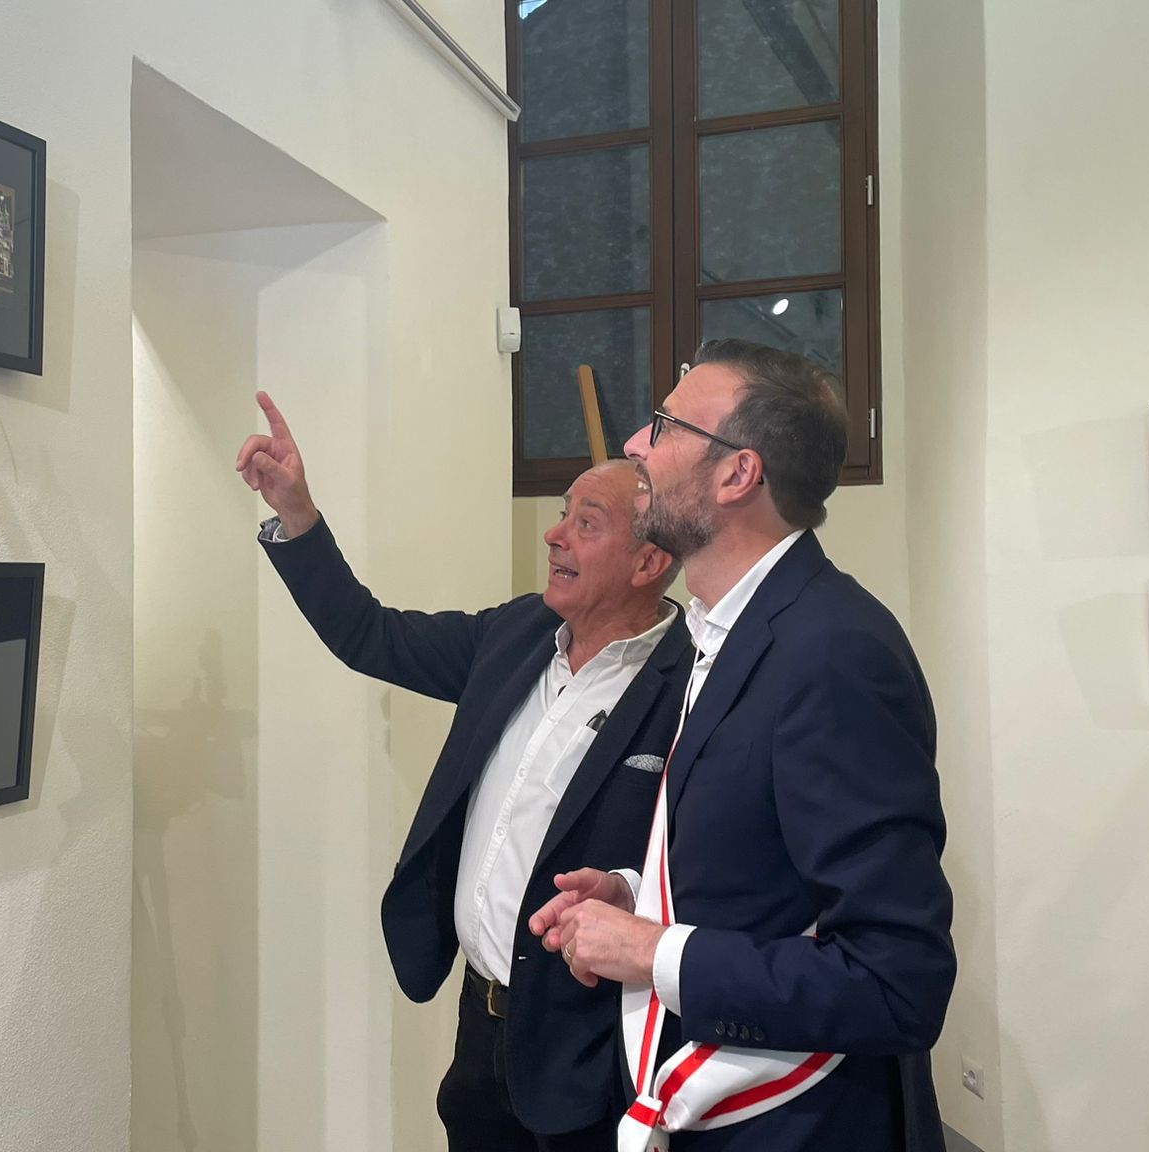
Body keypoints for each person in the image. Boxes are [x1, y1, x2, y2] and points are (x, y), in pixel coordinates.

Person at [237, 391, 695, 1151]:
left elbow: (707, 866)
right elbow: (371, 635)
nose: (554, 534)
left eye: (586, 524)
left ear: (649, 562)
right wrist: (297, 515)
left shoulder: (690, 684)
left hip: (591, 1047)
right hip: (480, 1030)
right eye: (563, 513)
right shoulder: (517, 633)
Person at [529, 340, 955, 1151]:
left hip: (798, 1126)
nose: (635, 444)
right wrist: (636, 895)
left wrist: (656, 951)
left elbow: (896, 980)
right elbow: (769, 872)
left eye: (664, 427)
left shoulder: (833, 650)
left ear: (737, 475)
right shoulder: (726, 630)